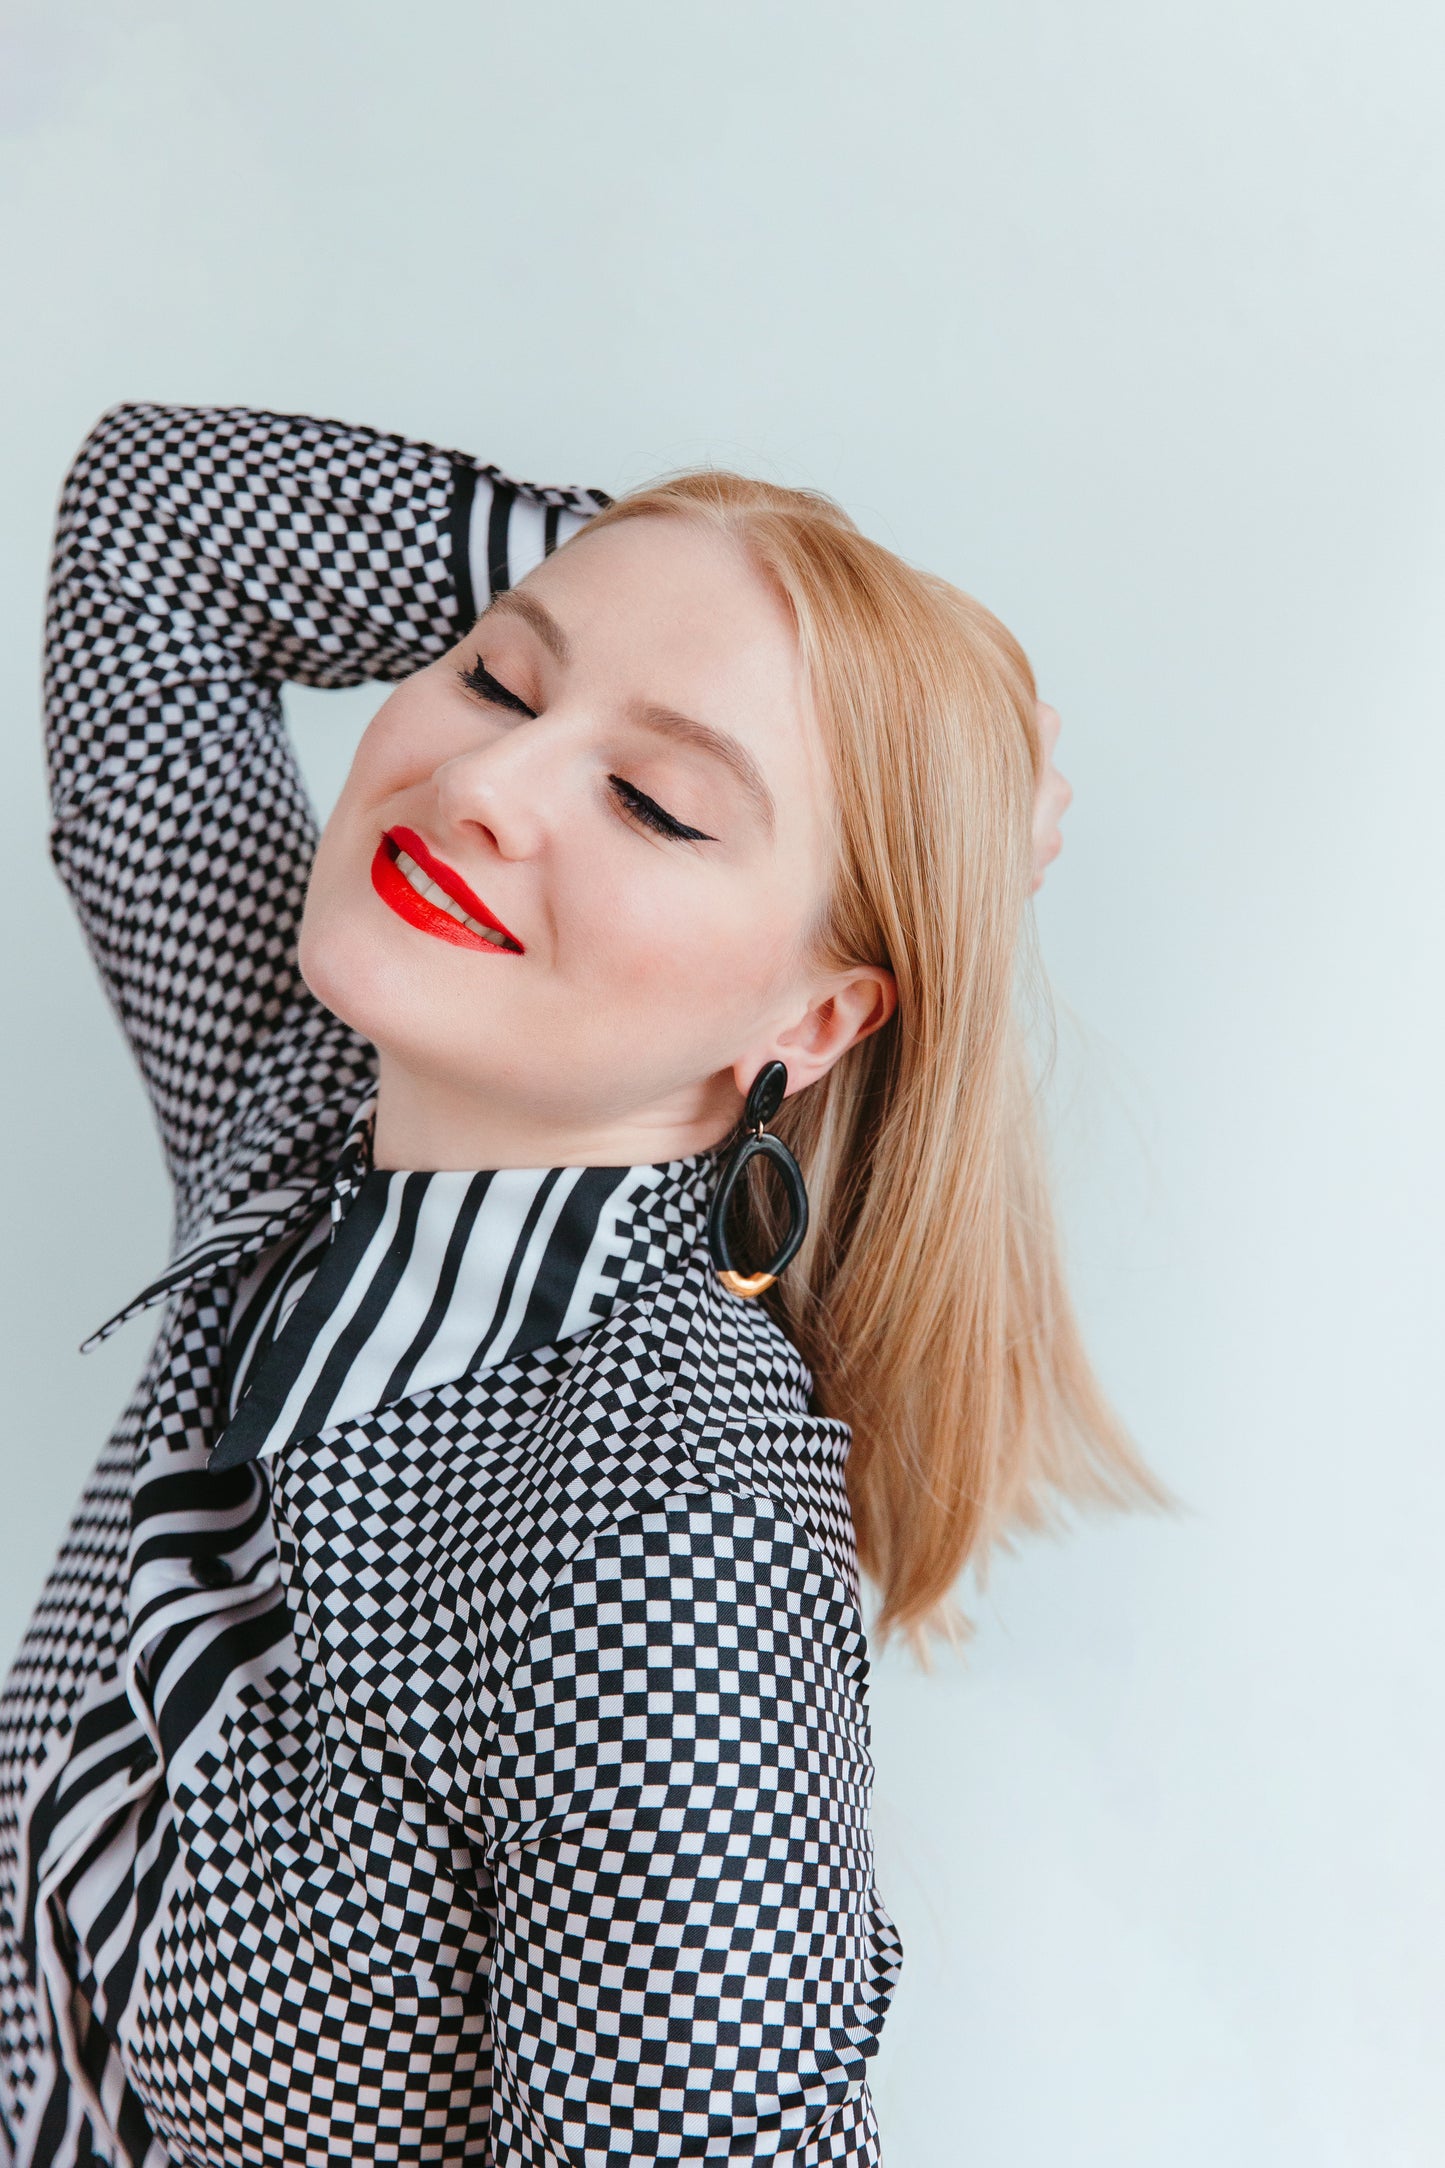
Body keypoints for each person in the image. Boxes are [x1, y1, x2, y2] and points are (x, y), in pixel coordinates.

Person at [0, 401, 1170, 2167]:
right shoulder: (299, 1123)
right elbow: (155, 528)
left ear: (814, 1019)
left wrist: (875, 715)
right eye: (495, 682)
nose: (483, 786)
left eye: (652, 799)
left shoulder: (666, 1539)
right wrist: (696, 579)